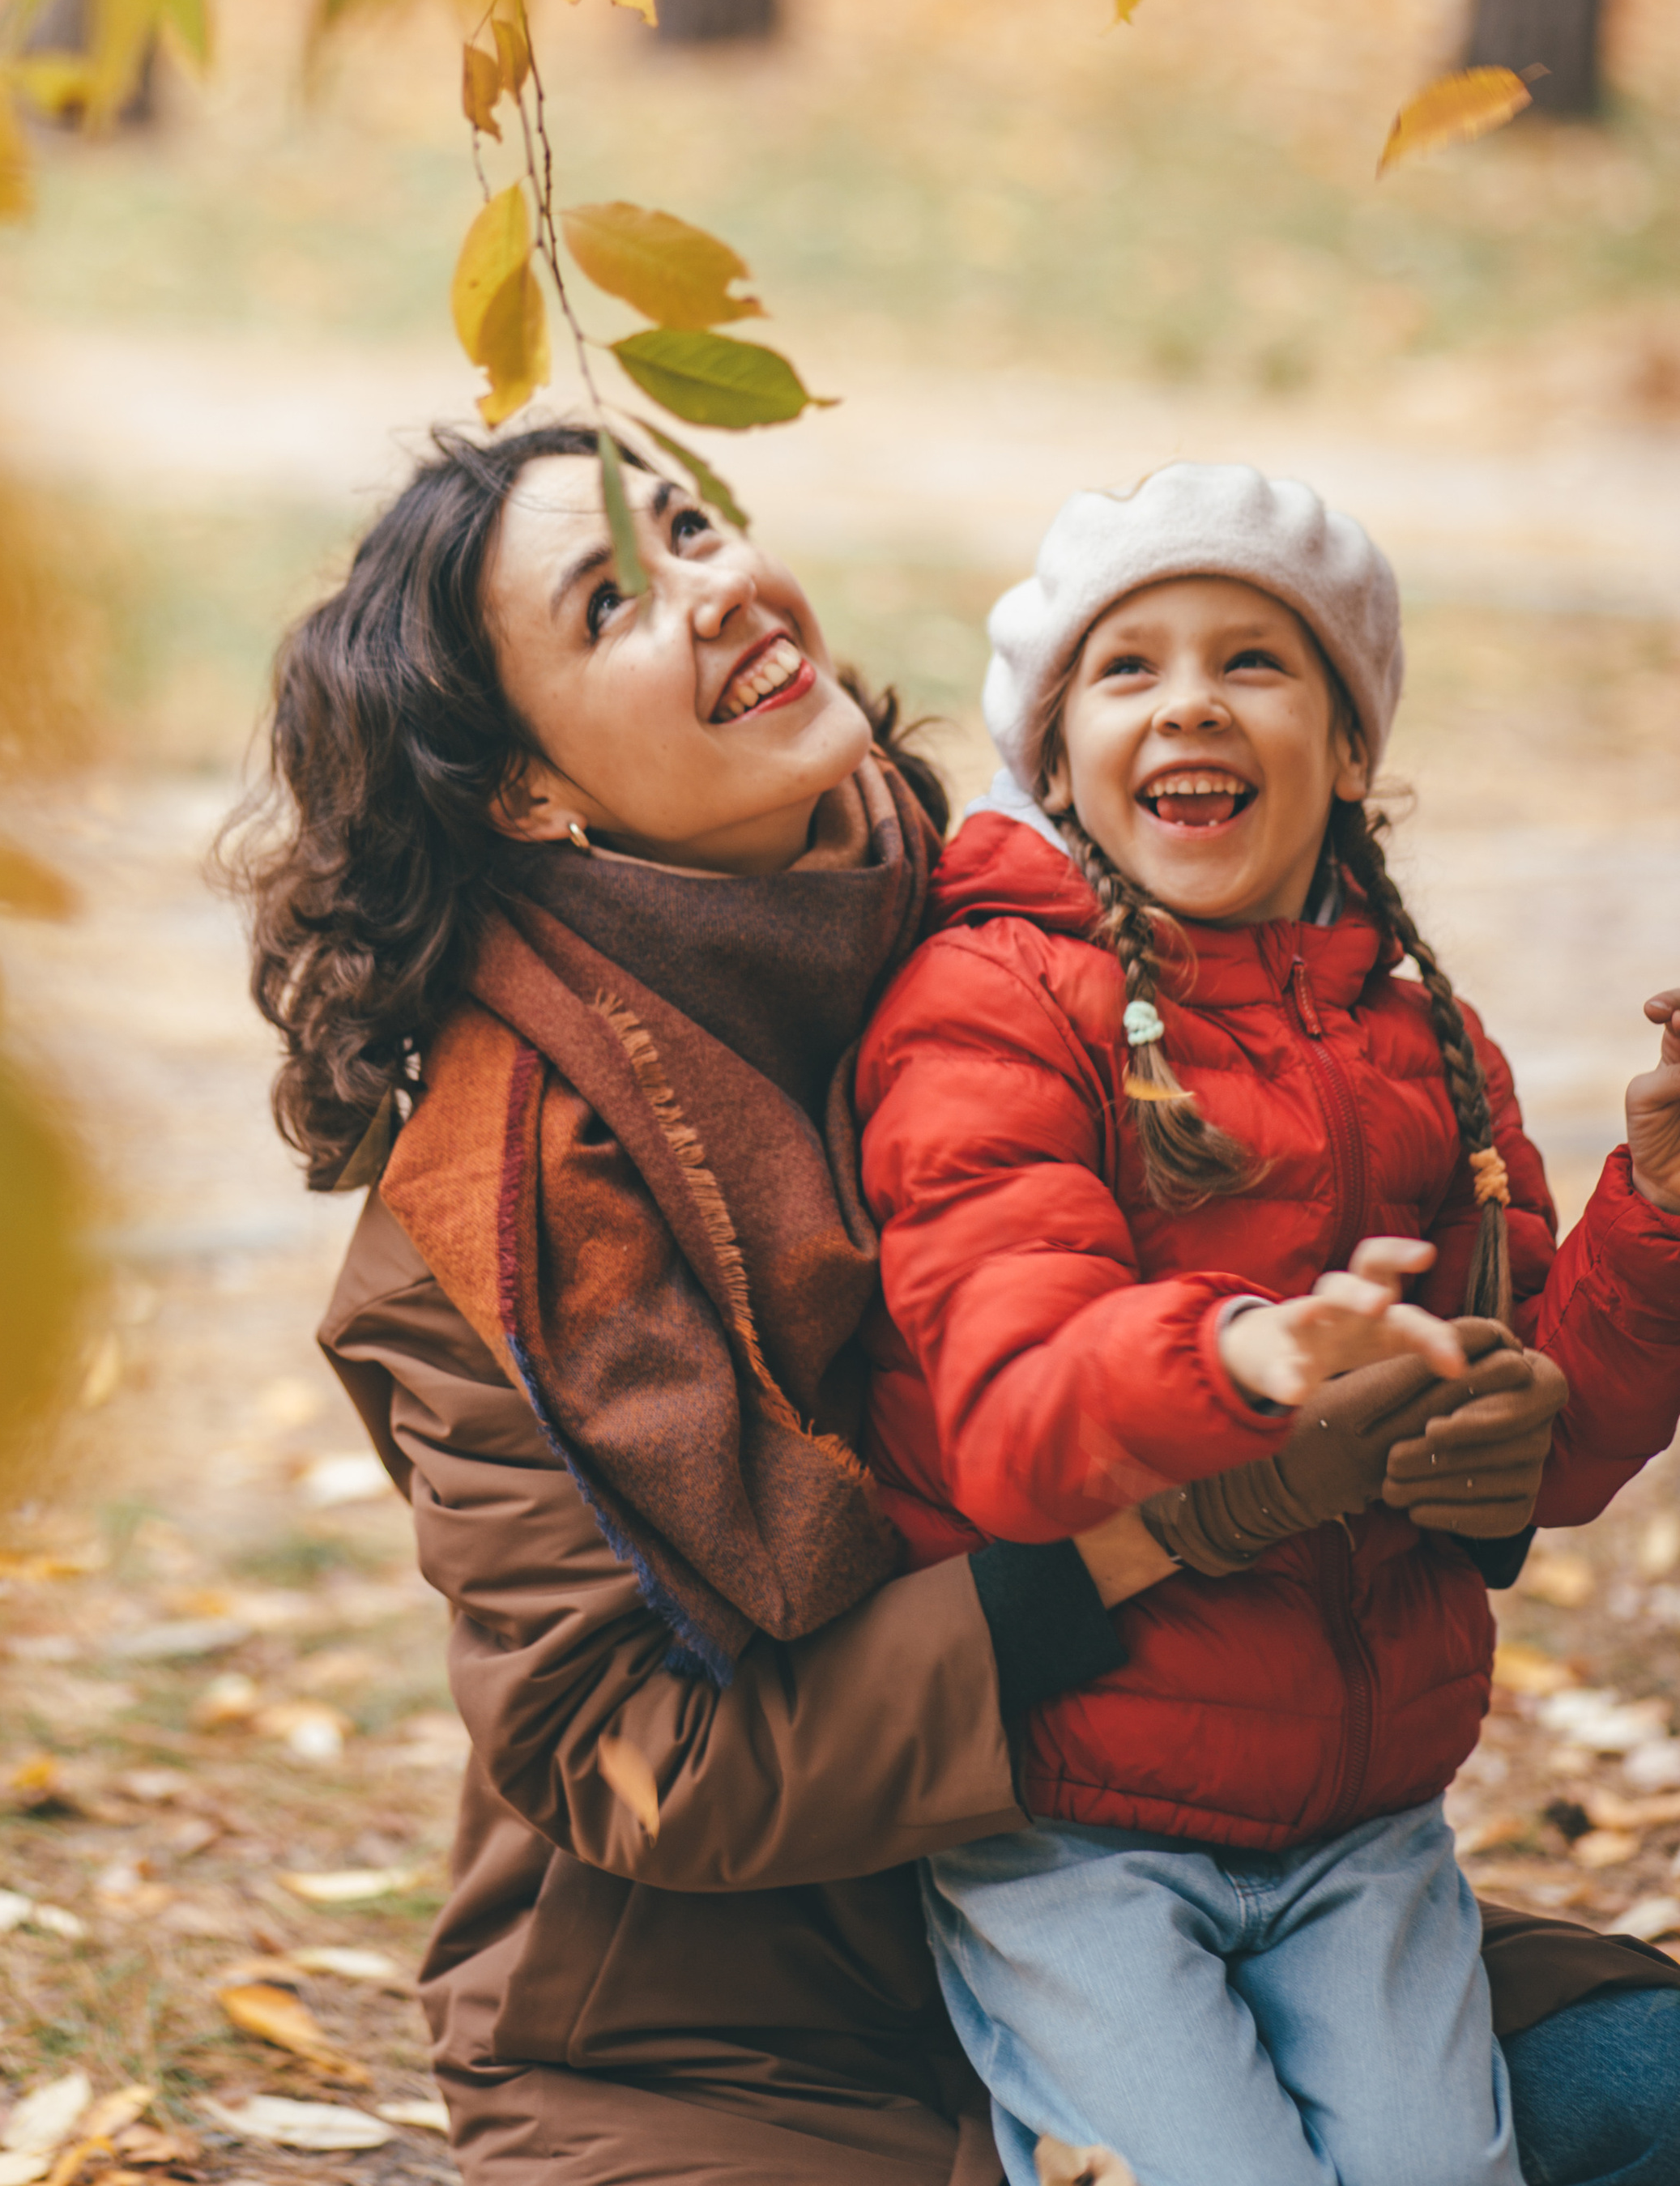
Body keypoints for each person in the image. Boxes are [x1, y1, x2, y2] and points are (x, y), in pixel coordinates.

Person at [226, 424, 1680, 2186]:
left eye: (689, 523)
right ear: (526, 792)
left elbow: (1405, 1285)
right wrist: (1172, 1524)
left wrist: (1465, 1406)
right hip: (754, 2031)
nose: (712, 587)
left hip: (1219, 1835)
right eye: (615, 598)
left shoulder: (1064, 910)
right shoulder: (493, 1228)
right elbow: (637, 1757)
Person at [856, 463, 1680, 2186]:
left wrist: (1655, 1216)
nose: (1187, 700)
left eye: (1253, 660)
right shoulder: (993, 1000)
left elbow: (1545, 1451)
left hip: (1362, 1827)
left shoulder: (1421, 1038)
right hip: (1073, 1830)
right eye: (1126, 665)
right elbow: (1007, 1405)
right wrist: (1243, 1358)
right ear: (1057, 746)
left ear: (1347, 748)